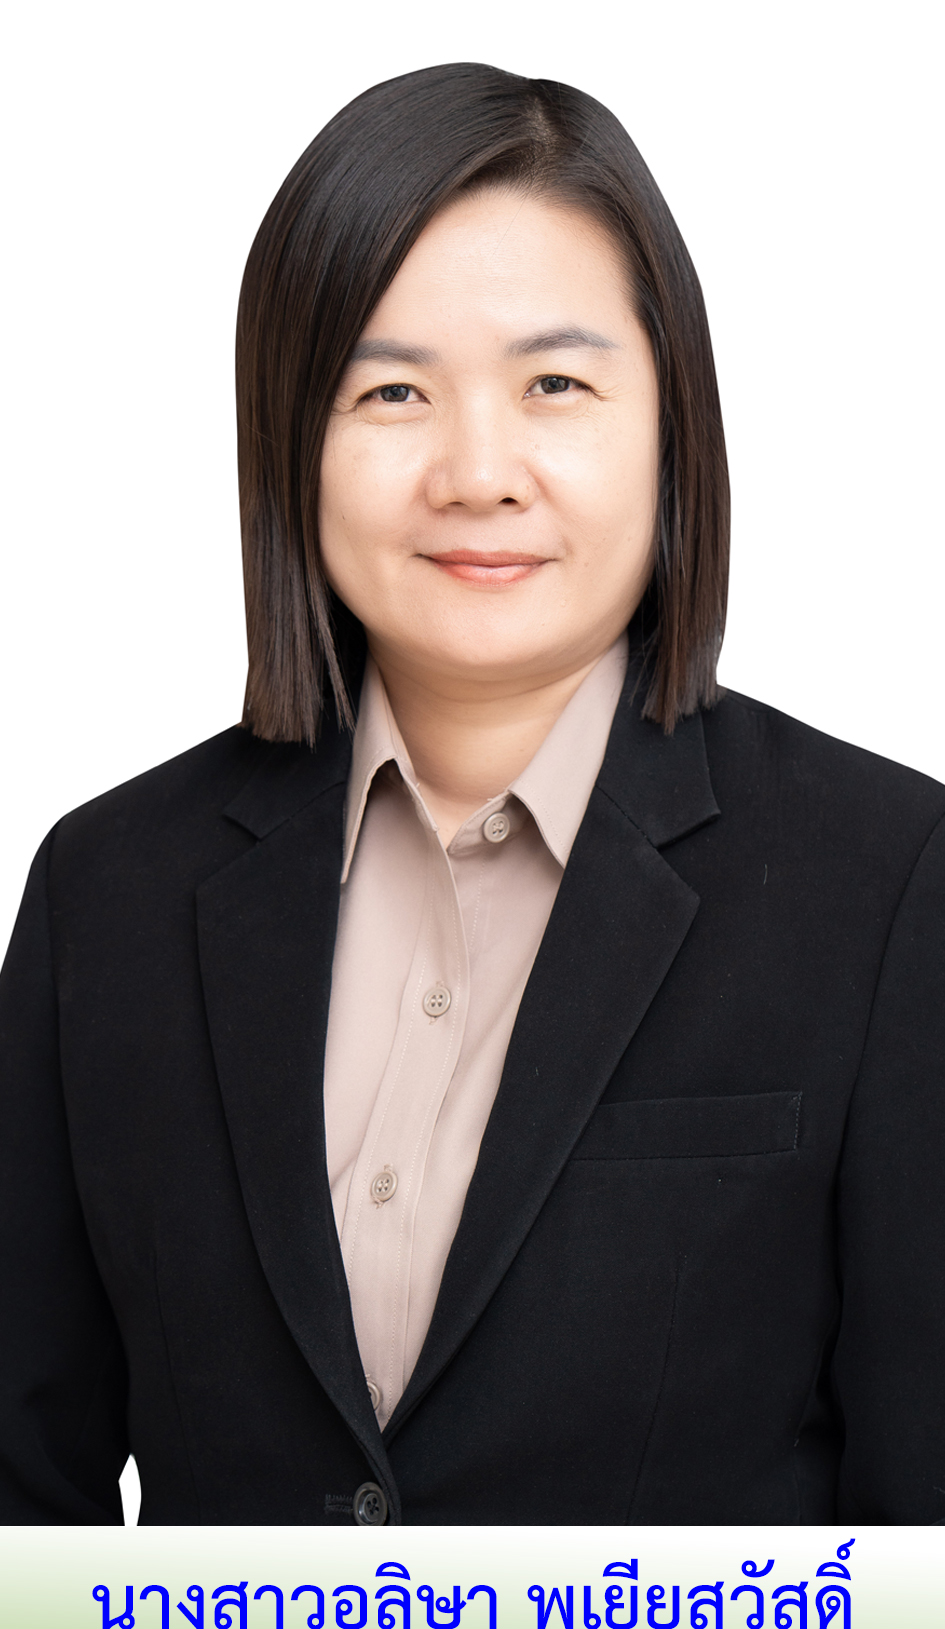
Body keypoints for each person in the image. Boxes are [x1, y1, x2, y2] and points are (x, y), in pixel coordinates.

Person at [1, 62, 943, 1528]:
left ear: (672, 421)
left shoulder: (886, 883)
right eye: (390, 392)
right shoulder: (108, 888)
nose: (477, 471)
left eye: (554, 384)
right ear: (288, 438)